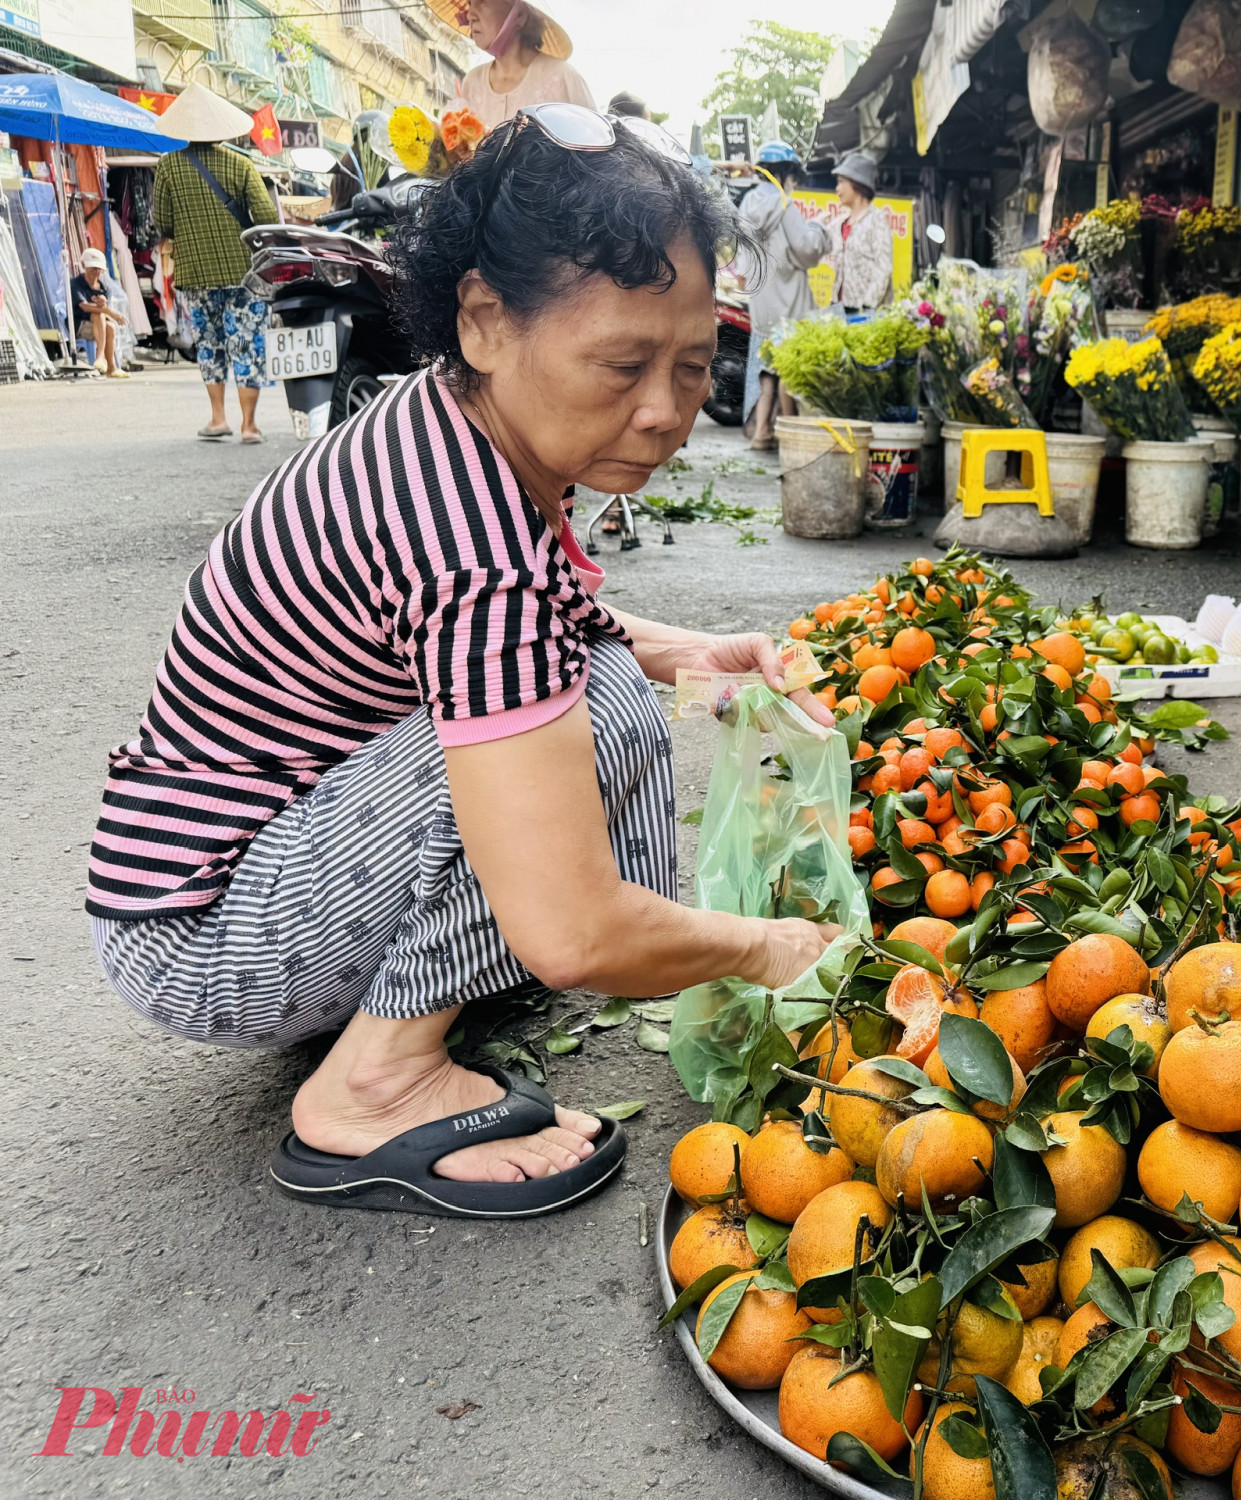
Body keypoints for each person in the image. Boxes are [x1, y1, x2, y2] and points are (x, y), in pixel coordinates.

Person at [87, 106, 839, 1219]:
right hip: (207, 939)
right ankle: (372, 1085)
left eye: (691, 365)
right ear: (484, 319)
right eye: (623, 363)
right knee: (591, 714)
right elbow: (575, 927)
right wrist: (770, 949)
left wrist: (687, 655)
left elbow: (533, 629)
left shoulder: (444, 424)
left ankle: (414, 1004)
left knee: (605, 687)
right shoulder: (470, 539)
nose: (665, 412)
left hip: (247, 880)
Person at [152, 84, 280, 442]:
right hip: (243, 273)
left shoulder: (168, 167)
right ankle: (249, 425)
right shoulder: (241, 164)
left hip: (195, 274)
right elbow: (266, 214)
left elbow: (162, 222)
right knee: (246, 343)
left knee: (210, 343)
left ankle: (218, 418)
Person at [738, 140, 830, 449]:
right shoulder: (783, 204)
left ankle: (762, 431)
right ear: (786, 174)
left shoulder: (748, 203)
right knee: (790, 366)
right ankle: (790, 435)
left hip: (761, 301)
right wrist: (819, 229)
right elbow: (807, 250)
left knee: (767, 367)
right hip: (790, 300)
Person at [441, 0, 594, 125]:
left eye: (482, 2)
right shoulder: (472, 82)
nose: (470, 15)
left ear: (520, 15)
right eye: (470, 3)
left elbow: (597, 153)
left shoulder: (562, 77)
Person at [828, 151, 893, 311]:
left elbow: (883, 268)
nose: (837, 189)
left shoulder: (876, 220)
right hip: (839, 309)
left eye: (841, 182)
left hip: (865, 314)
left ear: (857, 184)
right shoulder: (839, 223)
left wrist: (867, 306)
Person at [72, 247, 128, 379]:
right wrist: (110, 312)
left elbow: (102, 309)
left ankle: (110, 367)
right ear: (84, 266)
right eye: (92, 268)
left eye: (98, 269)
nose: (95, 272)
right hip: (80, 324)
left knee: (110, 326)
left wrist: (104, 309)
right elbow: (84, 306)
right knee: (98, 314)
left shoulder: (104, 287)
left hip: (99, 326)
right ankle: (101, 357)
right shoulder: (75, 284)